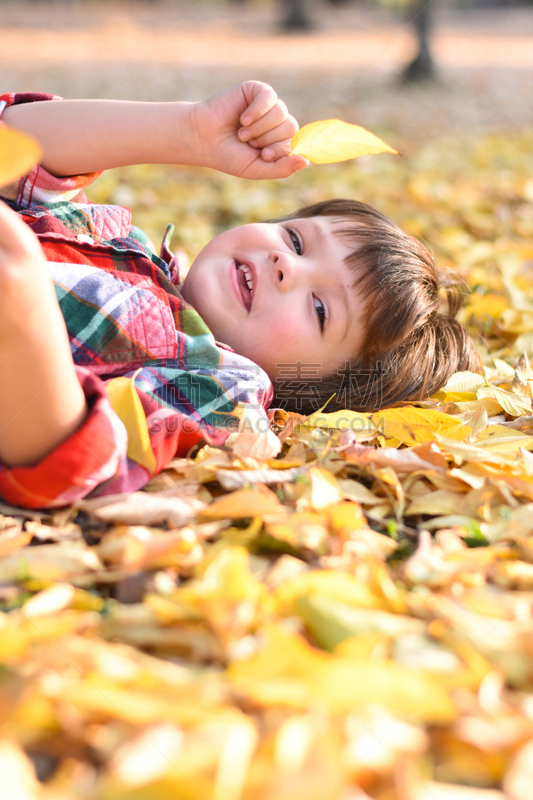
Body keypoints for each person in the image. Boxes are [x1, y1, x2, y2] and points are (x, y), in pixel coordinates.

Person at [0, 81, 480, 509]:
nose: (285, 265)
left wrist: (23, 319)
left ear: (313, 384)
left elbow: (81, 457)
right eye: (295, 240)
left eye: (319, 309)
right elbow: (19, 151)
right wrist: (188, 131)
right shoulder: (124, 245)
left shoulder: (220, 386)